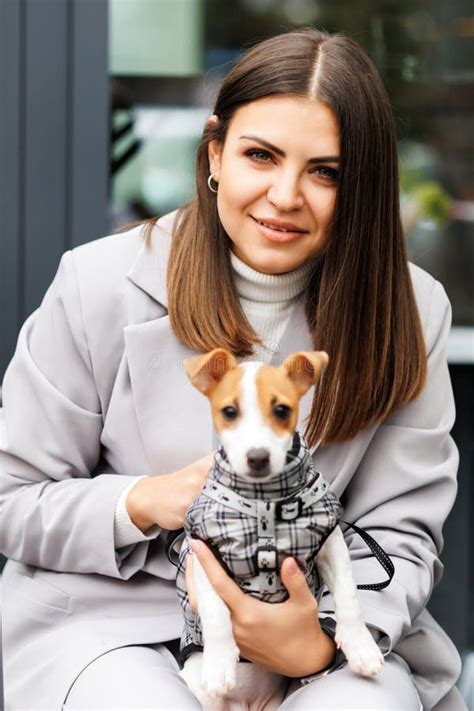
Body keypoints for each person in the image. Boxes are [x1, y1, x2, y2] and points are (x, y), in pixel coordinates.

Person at [0, 27, 466, 711]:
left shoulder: (411, 308)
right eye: (260, 155)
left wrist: (315, 639)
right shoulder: (94, 282)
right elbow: (12, 496)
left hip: (322, 635)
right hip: (116, 623)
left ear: (360, 184)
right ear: (215, 152)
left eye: (325, 171)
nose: (284, 195)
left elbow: (402, 534)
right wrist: (144, 500)